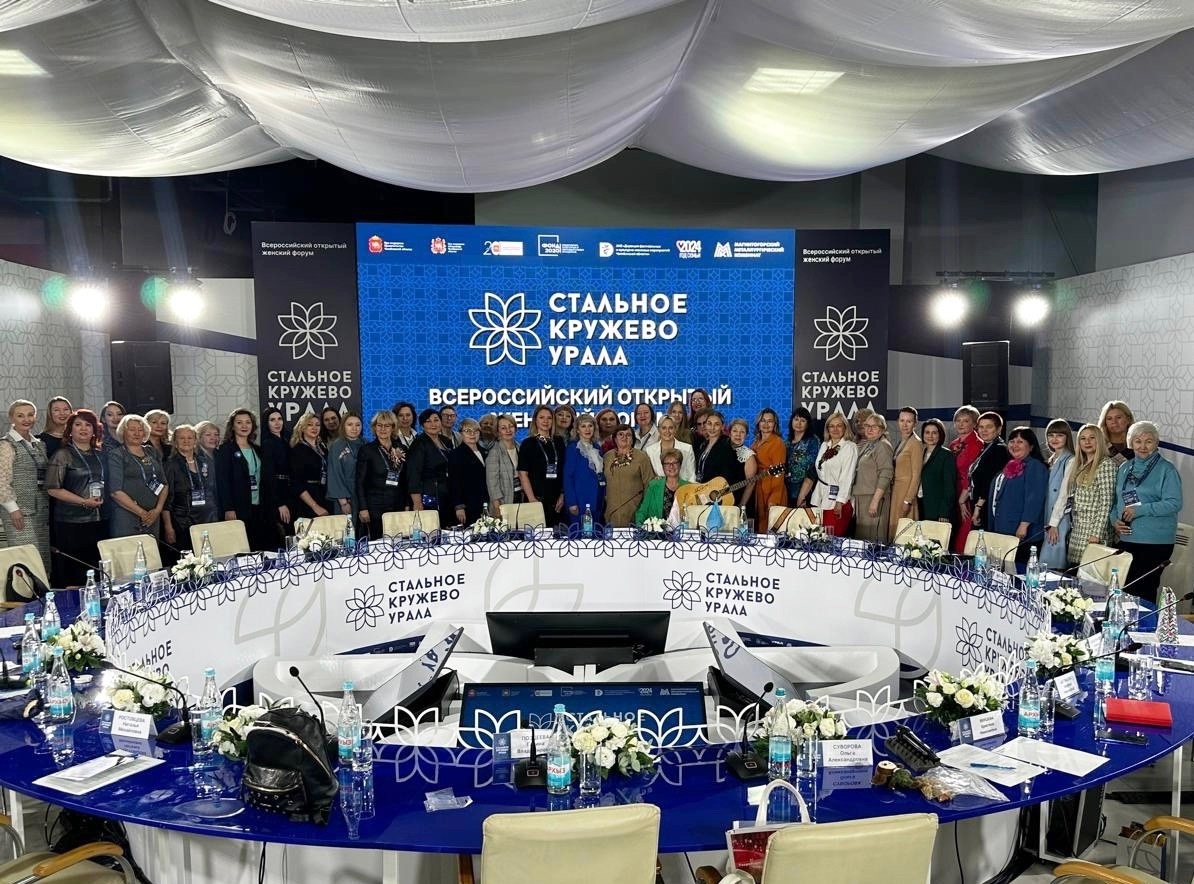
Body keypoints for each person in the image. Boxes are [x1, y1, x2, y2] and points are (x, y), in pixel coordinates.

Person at [1112, 420, 1182, 602]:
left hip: (1155, 542)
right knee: (1123, 590)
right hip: (1127, 538)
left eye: (1148, 441)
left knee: (1143, 591)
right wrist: (1114, 520)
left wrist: (1140, 510)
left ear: (1156, 443)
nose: (1143, 446)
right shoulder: (1124, 467)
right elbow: (1116, 502)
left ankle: (1146, 622)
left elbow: (1174, 503)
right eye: (1138, 441)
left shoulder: (1167, 469)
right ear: (1131, 443)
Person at [46, 408, 106, 585]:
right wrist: (83, 502)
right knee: (74, 573)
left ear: (94, 430)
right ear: (70, 430)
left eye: (88, 425)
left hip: (98, 519)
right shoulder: (63, 454)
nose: (83, 428)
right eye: (78, 425)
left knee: (95, 571)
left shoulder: (100, 454)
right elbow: (52, 489)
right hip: (71, 521)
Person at [215, 409, 279, 552]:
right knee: (244, 549)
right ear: (232, 426)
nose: (244, 426)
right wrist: (228, 508)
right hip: (239, 508)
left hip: (261, 507)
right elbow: (223, 482)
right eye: (239, 422)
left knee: (263, 547)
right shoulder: (225, 450)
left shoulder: (258, 450)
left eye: (248, 422)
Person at [987, 427, 1048, 566]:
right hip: (1003, 527)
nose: (1015, 445)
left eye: (1020, 442)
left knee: (1017, 570)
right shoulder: (1010, 464)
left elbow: (1035, 498)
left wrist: (1024, 525)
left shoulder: (1035, 466)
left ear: (1031, 446)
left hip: (1021, 532)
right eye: (1012, 441)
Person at [107, 413, 166, 541]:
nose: (137, 433)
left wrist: (157, 510)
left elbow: (164, 484)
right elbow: (115, 492)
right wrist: (142, 513)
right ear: (123, 432)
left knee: (151, 551)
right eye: (132, 430)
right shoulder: (116, 455)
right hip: (127, 516)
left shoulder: (152, 451)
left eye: (140, 430)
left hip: (153, 516)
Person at [161, 424, 219, 554]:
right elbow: (167, 500)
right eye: (181, 438)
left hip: (209, 518)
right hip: (183, 522)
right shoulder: (170, 465)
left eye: (190, 437)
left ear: (195, 441)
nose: (186, 441)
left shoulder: (206, 462)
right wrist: (168, 527)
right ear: (175, 442)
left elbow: (214, 490)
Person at [797, 412, 857, 536]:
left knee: (831, 536)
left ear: (845, 427)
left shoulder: (849, 447)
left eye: (839, 426)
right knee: (818, 536)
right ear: (827, 429)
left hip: (837, 502)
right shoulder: (825, 445)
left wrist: (840, 501)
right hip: (820, 498)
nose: (835, 429)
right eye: (832, 426)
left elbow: (847, 477)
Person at [1067, 424, 1118, 566]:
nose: (1087, 442)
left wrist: (1096, 533)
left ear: (1099, 440)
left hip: (1094, 532)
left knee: (1090, 574)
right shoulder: (1080, 464)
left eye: (1092, 438)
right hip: (1078, 530)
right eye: (1083, 438)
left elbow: (1107, 502)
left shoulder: (1106, 465)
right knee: (1073, 572)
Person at [355, 410, 406, 540]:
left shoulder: (401, 449)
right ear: (374, 427)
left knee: (399, 541)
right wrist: (363, 508)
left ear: (393, 428)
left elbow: (405, 479)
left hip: (397, 504)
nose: (383, 429)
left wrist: (406, 504)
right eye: (379, 425)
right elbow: (360, 482)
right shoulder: (367, 450)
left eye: (387, 425)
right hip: (375, 506)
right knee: (378, 543)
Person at [517, 405, 566, 526]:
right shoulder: (528, 443)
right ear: (535, 420)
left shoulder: (559, 441)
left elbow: (564, 470)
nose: (545, 421)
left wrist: (563, 494)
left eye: (549, 418)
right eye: (541, 417)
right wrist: (532, 500)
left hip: (557, 501)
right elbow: (523, 474)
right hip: (536, 499)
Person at [408, 408, 454, 528]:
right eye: (428, 421)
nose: (433, 424)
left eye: (436, 420)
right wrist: (417, 503)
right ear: (422, 425)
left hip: (447, 494)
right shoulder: (419, 444)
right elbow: (413, 474)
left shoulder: (446, 441)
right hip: (429, 495)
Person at [852, 413, 895, 543]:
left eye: (874, 427)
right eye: (867, 426)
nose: (869, 429)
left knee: (873, 539)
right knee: (862, 539)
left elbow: (886, 474)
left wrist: (875, 501)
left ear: (882, 429)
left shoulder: (883, 445)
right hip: (863, 497)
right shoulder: (869, 444)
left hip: (874, 498)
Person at [602, 424, 655, 528]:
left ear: (633, 439)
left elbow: (649, 484)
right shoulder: (607, 457)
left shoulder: (641, 457)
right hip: (611, 511)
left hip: (635, 510)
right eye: (620, 434)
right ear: (615, 439)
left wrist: (644, 509)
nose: (624, 437)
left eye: (628, 435)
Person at [966, 412, 1010, 534]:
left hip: (987, 506)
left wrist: (978, 508)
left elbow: (989, 482)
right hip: (979, 503)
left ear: (999, 429)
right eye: (981, 427)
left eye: (989, 427)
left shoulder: (999, 449)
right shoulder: (987, 447)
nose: (984, 430)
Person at [1040, 420, 1076, 570]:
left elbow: (1065, 494)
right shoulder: (1053, 459)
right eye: (1051, 435)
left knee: (1053, 561)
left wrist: (1054, 524)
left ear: (1067, 437)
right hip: (1048, 515)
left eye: (1060, 435)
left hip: (1059, 518)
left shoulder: (1071, 460)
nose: (1054, 439)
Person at [949, 405, 984, 553]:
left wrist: (963, 499)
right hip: (953, 491)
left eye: (966, 421)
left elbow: (973, 474)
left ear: (974, 424)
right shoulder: (953, 444)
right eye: (958, 420)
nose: (961, 424)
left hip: (968, 495)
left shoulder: (978, 444)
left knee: (964, 534)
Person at [563, 414, 607, 529]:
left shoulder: (597, 448)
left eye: (590, 426)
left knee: (596, 534)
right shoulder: (573, 448)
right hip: (580, 500)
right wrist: (572, 502)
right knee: (579, 534)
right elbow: (568, 477)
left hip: (597, 498)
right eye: (583, 426)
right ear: (577, 430)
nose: (587, 429)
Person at [327, 413, 364, 536]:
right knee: (347, 533)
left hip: (363, 494)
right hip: (346, 495)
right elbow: (334, 474)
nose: (354, 428)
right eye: (350, 425)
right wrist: (343, 502)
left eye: (357, 425)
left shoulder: (365, 443)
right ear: (343, 426)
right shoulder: (337, 445)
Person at [890, 407, 924, 538]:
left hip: (906, 492)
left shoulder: (916, 443)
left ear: (915, 423)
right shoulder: (903, 441)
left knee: (903, 533)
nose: (905, 425)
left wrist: (908, 500)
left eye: (909, 421)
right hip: (897, 490)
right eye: (902, 420)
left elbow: (916, 475)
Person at [259, 408, 292, 542]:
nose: (277, 423)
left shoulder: (286, 440)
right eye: (272, 420)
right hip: (276, 493)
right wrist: (279, 503)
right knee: (282, 532)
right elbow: (268, 475)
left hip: (289, 490)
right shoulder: (268, 443)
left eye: (279, 419)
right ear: (266, 423)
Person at [290, 413, 330, 520]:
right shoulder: (298, 450)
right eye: (310, 424)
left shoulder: (322, 448)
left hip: (324, 495)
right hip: (308, 500)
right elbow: (296, 483)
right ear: (302, 428)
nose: (314, 428)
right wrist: (314, 506)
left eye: (317, 425)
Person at [917, 418, 957, 526]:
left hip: (937, 508)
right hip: (920, 504)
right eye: (927, 432)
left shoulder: (946, 455)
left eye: (934, 433)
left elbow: (949, 487)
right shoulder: (920, 453)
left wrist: (944, 512)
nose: (930, 436)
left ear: (940, 435)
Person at [448, 419, 488, 526]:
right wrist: (459, 506)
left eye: (475, 431)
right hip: (467, 504)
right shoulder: (456, 454)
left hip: (485, 502)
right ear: (461, 434)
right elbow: (454, 482)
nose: (472, 434)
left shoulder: (485, 451)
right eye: (467, 431)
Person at [634, 449, 690, 525]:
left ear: (680, 465)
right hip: (657, 531)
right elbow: (642, 511)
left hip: (681, 531)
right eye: (667, 463)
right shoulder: (653, 486)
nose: (671, 466)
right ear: (663, 467)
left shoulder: (688, 487)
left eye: (675, 463)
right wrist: (640, 528)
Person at [750, 408, 786, 525]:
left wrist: (774, 499)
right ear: (758, 423)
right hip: (758, 487)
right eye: (763, 421)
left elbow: (779, 474)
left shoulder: (777, 442)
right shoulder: (756, 442)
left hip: (771, 488)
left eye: (770, 421)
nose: (766, 424)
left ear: (775, 424)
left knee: (769, 526)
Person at [695, 411, 741, 499]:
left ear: (722, 426)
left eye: (716, 424)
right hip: (704, 493)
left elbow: (730, 475)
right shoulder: (703, 445)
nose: (712, 428)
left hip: (719, 495)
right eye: (709, 424)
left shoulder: (727, 445)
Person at [486, 414, 522, 516]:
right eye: (503, 428)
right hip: (503, 501)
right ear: (498, 432)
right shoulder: (494, 452)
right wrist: (497, 506)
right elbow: (492, 482)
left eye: (511, 426)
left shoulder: (520, 448)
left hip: (520, 496)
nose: (508, 430)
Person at [784, 408, 819, 508]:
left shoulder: (812, 441)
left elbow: (812, 470)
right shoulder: (786, 442)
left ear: (807, 424)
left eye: (802, 420)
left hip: (805, 492)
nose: (798, 423)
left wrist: (802, 496)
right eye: (796, 419)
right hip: (786, 491)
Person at [644, 416, 695, 482]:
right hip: (659, 487)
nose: (667, 431)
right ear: (659, 430)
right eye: (664, 428)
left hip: (683, 487)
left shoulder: (687, 449)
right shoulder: (649, 451)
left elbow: (692, 476)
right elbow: (650, 478)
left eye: (670, 428)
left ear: (675, 429)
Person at [727, 418, 759, 510]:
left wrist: (741, 505)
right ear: (729, 433)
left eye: (742, 432)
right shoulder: (722, 449)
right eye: (735, 431)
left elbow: (751, 483)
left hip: (740, 501)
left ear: (746, 435)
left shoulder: (748, 455)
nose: (738, 434)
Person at [391, 401, 417, 512]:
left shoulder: (419, 438)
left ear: (413, 416)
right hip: (399, 492)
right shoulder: (390, 440)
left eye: (408, 415)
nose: (405, 418)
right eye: (401, 415)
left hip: (417, 490)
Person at [1098, 400, 1136, 465]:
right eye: (1109, 418)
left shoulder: (1138, 444)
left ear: (1128, 419)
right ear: (1105, 422)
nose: (1114, 422)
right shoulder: (1099, 444)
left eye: (1118, 417)